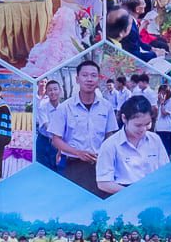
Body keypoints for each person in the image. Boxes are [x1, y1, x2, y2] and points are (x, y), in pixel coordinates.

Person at [42, 60, 118, 192]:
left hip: (100, 166)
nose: (89, 79)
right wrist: (78, 153)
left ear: (98, 79)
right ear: (77, 79)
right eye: (85, 75)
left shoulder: (106, 107)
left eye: (93, 75)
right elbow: (56, 140)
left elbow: (109, 135)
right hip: (74, 165)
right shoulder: (65, 108)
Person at [95, 95, 169, 195]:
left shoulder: (155, 140)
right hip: (123, 194)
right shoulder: (110, 145)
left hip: (153, 192)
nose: (143, 129)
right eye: (138, 125)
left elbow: (165, 171)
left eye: (147, 124)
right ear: (124, 118)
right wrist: (134, 194)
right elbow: (103, 183)